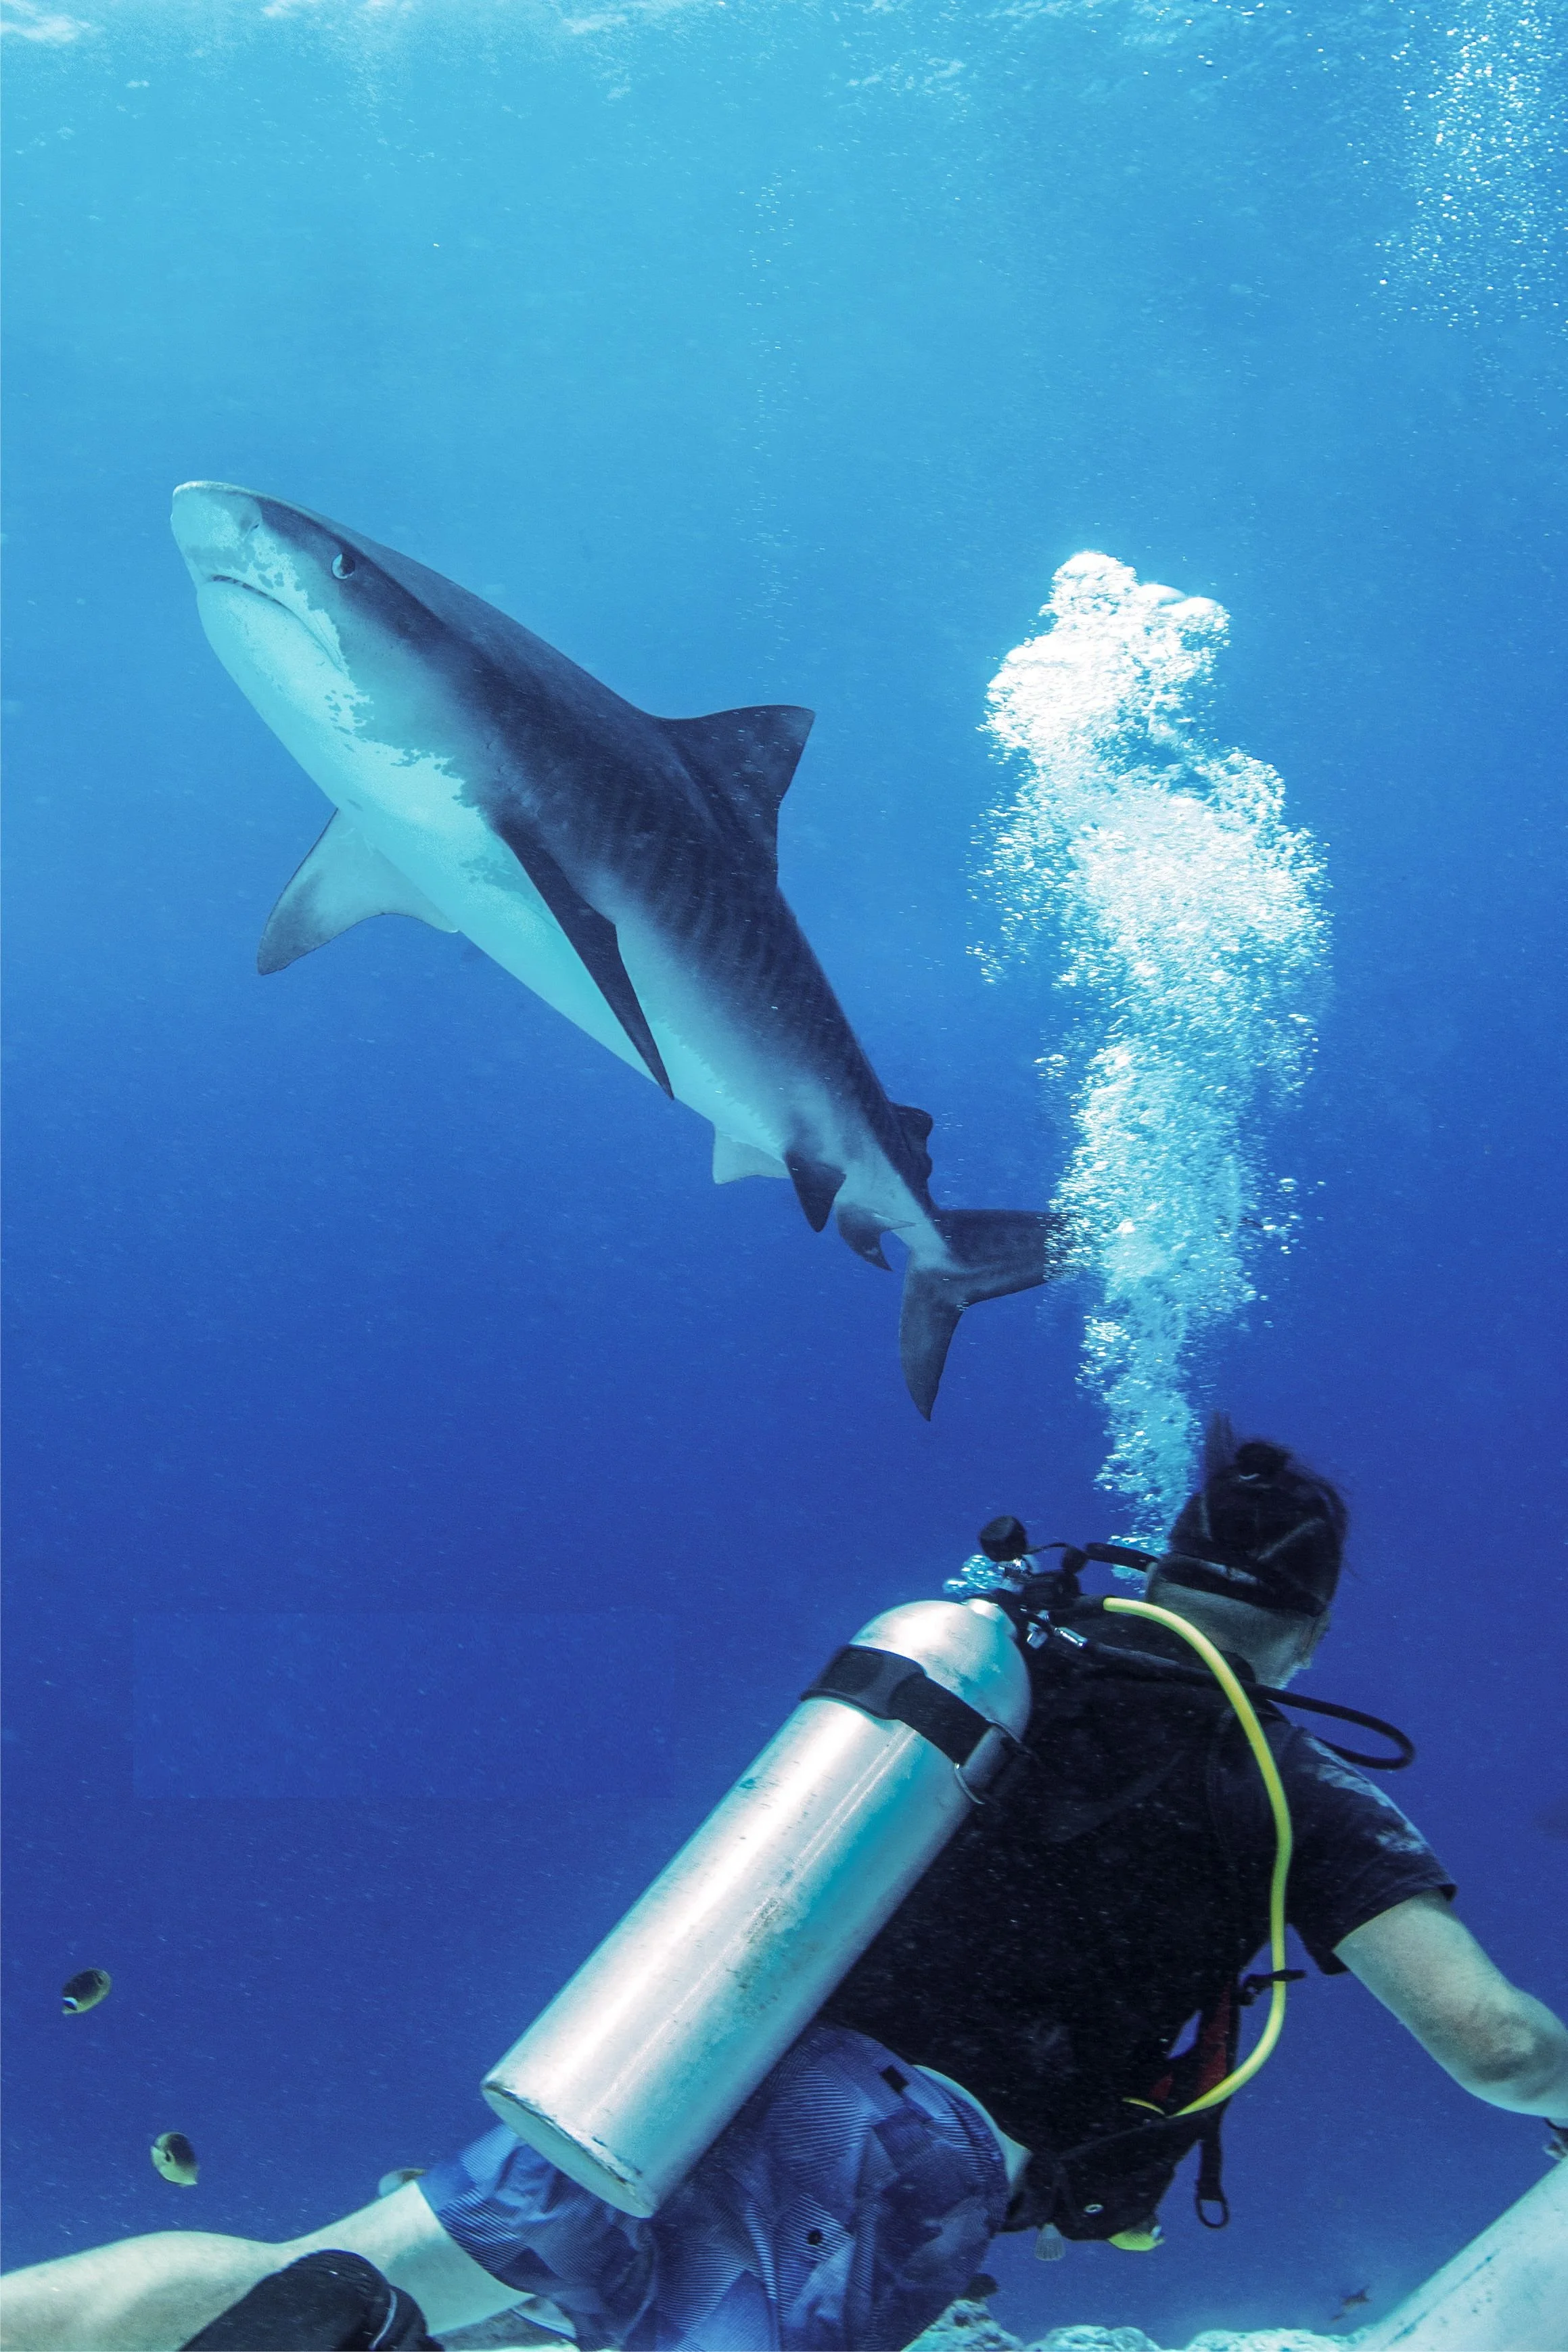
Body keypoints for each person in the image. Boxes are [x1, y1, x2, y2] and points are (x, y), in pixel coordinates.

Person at [5, 1420, 1567, 2352]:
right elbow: (1488, 2038)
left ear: (1162, 1566)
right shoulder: (1284, 1773)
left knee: (306, 2271)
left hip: (675, 2060)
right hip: (886, 2146)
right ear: (1307, 1624)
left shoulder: (999, 1659)